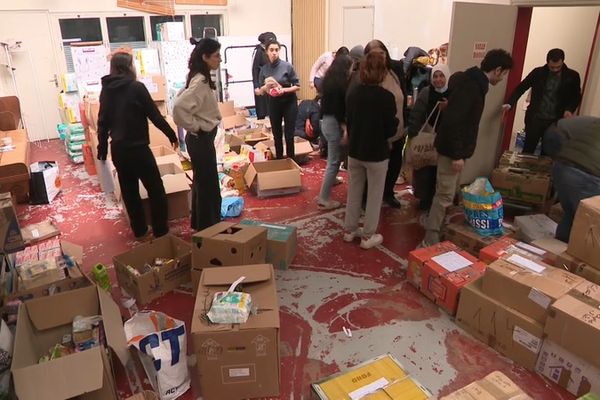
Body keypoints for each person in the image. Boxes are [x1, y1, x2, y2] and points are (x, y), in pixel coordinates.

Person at [422, 49, 513, 246]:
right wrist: (457, 155)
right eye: (504, 73)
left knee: (448, 191)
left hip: (454, 148)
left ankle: (439, 231)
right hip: (451, 151)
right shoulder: (472, 87)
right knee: (444, 194)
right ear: (497, 70)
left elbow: (456, 114)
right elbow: (455, 122)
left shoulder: (468, 81)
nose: (503, 78)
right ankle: (429, 240)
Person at [97, 50, 178, 240]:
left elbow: (103, 122)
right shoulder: (137, 87)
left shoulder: (106, 90)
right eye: (133, 64)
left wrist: (102, 149)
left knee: (129, 192)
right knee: (156, 189)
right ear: (128, 67)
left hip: (119, 150)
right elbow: (155, 115)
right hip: (139, 149)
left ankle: (140, 231)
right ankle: (160, 230)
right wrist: (171, 134)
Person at [344, 52, 399, 249]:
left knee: (354, 191)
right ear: (383, 72)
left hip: (355, 150)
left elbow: (349, 122)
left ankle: (349, 230)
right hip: (376, 154)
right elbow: (390, 129)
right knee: (375, 195)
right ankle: (368, 236)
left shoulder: (354, 93)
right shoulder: (387, 98)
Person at [173, 38, 223, 231]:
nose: (219, 59)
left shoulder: (199, 76)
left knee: (203, 183)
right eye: (216, 56)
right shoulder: (200, 81)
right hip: (200, 139)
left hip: (200, 139)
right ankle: (210, 228)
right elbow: (178, 106)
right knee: (209, 187)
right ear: (205, 57)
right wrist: (195, 127)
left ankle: (202, 224)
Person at [502, 48, 581, 154]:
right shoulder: (538, 73)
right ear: (547, 62)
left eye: (558, 67)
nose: (554, 70)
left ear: (563, 62)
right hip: (536, 118)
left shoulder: (572, 76)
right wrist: (510, 103)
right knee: (528, 150)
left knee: (548, 152)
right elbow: (521, 88)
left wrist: (569, 110)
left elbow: (576, 96)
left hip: (555, 121)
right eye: (552, 67)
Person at [542, 116, 600, 242]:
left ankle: (560, 253)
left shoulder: (595, 123)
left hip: (562, 166)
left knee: (571, 213)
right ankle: (578, 255)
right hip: (586, 174)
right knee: (591, 222)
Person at [363, 40, 405, 208]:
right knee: (372, 171)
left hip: (398, 130)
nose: (379, 57)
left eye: (382, 53)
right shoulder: (367, 78)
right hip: (378, 135)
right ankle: (367, 199)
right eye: (374, 54)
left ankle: (388, 193)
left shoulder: (395, 72)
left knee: (395, 165)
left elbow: (404, 95)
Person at [406, 63, 451, 211]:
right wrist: (413, 134)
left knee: (441, 172)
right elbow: (417, 113)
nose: (438, 80)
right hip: (428, 137)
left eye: (441, 76)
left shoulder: (453, 93)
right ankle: (425, 199)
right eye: (436, 76)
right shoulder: (427, 92)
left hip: (445, 139)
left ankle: (438, 200)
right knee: (426, 169)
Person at [317, 54, 353, 210]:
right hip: (333, 123)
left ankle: (331, 181)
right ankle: (323, 198)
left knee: (334, 159)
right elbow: (339, 110)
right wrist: (345, 127)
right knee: (333, 161)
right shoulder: (340, 85)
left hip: (325, 122)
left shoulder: (328, 81)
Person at [255, 39, 300, 160]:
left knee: (289, 135)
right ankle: (279, 160)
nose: (274, 53)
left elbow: (297, 86)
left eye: (276, 50)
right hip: (274, 103)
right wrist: (265, 87)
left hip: (289, 102)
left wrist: (283, 90)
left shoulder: (287, 66)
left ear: (279, 51)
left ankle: (291, 161)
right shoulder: (264, 69)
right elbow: (259, 91)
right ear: (267, 52)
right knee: (276, 134)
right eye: (271, 50)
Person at [252, 32, 277, 119]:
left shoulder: (272, 52)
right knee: (262, 109)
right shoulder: (259, 52)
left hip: (271, 82)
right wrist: (256, 86)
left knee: (272, 109)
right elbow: (254, 70)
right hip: (261, 83)